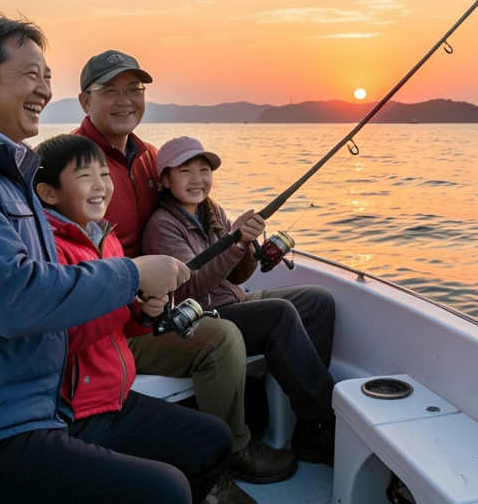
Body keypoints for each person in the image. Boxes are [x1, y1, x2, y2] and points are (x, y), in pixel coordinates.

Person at [0, 15, 228, 504]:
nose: (45, 89)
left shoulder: (3, 172)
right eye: (30, 75)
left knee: (208, 444)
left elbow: (49, 290)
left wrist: (134, 306)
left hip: (41, 405)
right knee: (161, 496)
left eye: (47, 76)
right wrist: (132, 273)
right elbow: (12, 300)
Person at [74, 51, 298, 484]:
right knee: (223, 336)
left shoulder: (148, 157)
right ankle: (230, 453)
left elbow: (207, 253)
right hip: (116, 322)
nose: (125, 100)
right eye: (110, 91)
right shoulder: (74, 162)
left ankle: (308, 425)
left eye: (134, 89)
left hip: (161, 306)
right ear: (85, 100)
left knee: (312, 302)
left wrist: (240, 242)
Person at [32, 133, 260, 504]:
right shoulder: (48, 248)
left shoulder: (106, 239)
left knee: (215, 438)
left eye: (104, 174)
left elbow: (125, 326)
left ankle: (195, 489)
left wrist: (142, 312)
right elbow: (61, 335)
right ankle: (185, 495)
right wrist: (128, 291)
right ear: (48, 193)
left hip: (118, 395)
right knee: (165, 491)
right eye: (85, 176)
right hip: (77, 409)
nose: (101, 185)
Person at [143, 136, 337, 465]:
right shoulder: (162, 226)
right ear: (165, 180)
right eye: (185, 171)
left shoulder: (213, 212)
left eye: (204, 170)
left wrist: (247, 245)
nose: (197, 179)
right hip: (206, 316)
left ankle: (304, 421)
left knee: (319, 301)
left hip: (236, 300)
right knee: (280, 314)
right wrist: (236, 244)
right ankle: (320, 422)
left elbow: (237, 278)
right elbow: (191, 287)